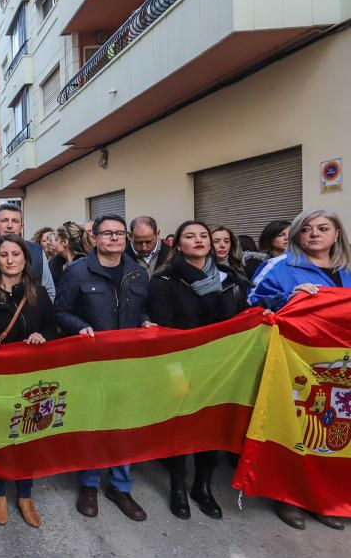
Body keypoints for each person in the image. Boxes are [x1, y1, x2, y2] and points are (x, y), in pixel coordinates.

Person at [247, 209, 350, 530]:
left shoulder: (348, 269)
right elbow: (252, 304)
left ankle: (328, 499)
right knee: (294, 431)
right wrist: (284, 299)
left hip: (340, 369)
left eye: (323, 228)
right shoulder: (279, 266)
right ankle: (288, 497)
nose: (315, 234)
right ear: (295, 236)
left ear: (337, 234)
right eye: (306, 229)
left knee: (337, 435)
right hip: (296, 365)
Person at [146, 221, 251, 520]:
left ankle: (202, 486)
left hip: (221, 365)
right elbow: (164, 327)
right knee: (182, 424)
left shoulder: (231, 277)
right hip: (180, 365)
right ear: (178, 245)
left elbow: (243, 314)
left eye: (203, 236)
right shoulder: (164, 280)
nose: (199, 241)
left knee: (212, 424)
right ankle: (178, 484)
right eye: (190, 236)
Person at [55, 214, 156, 521]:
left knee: (123, 424)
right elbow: (60, 311)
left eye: (119, 234)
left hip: (127, 363)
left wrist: (145, 321)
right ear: (95, 238)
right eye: (107, 233)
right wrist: (81, 326)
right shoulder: (76, 272)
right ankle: (88, 484)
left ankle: (120, 486)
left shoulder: (137, 273)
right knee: (93, 422)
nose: (114, 238)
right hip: (91, 362)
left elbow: (143, 308)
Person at [0, 235, 57, 527]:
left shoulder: (39, 293)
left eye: (16, 254)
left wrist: (43, 335)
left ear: (25, 259)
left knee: (28, 432)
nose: (10, 260)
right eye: (4, 254)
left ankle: (24, 493)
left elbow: (52, 326)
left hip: (32, 377)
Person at [0, 204, 55, 300]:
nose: (10, 226)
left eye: (15, 221)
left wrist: (37, 313)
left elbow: (49, 291)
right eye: (4, 221)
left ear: (21, 226)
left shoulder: (37, 252)